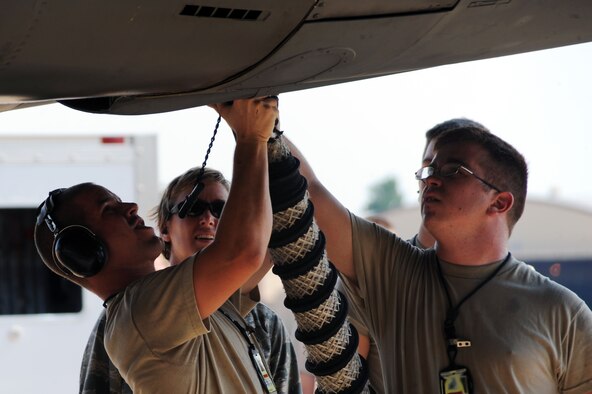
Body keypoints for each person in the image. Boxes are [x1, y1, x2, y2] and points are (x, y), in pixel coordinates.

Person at [280, 121, 592, 393]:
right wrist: (262, 129)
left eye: (454, 170)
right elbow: (308, 189)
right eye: (429, 170)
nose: (430, 180)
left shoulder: (563, 313)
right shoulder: (394, 274)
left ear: (500, 202)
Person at [35, 98, 279, 393]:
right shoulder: (140, 312)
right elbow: (244, 252)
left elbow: (262, 240)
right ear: (84, 252)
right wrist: (251, 137)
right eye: (108, 209)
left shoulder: (186, 305)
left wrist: (265, 127)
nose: (131, 207)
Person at [80, 166, 302, 394]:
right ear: (165, 228)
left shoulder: (265, 323)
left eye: (220, 210)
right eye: (193, 208)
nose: (208, 219)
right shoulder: (132, 316)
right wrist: (251, 140)